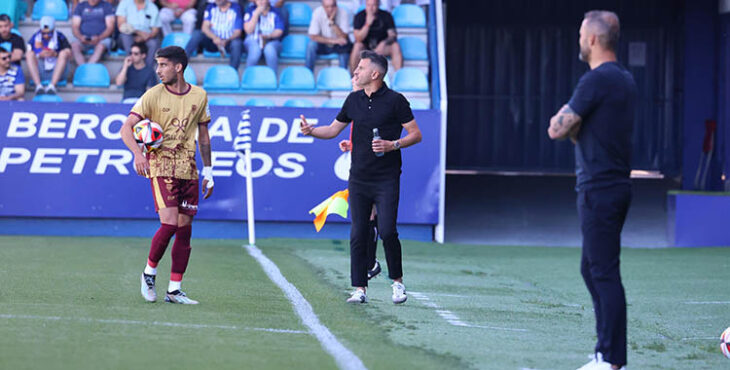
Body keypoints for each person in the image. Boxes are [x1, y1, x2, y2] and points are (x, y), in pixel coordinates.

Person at [547, 10, 636, 370]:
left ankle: (611, 359)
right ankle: (606, 353)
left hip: (600, 187)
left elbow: (556, 129)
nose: (580, 40)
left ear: (594, 40)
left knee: (603, 271)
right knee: (593, 268)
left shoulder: (596, 81)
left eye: (583, 34)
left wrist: (568, 122)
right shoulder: (624, 79)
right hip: (611, 185)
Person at [300, 50, 421, 304]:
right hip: (358, 178)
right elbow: (333, 129)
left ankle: (397, 283)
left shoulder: (396, 101)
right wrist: (311, 131)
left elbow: (415, 134)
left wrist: (392, 145)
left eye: (360, 68)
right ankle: (359, 289)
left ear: (375, 74)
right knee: (358, 233)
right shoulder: (353, 99)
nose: (355, 72)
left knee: (387, 231)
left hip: (387, 178)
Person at [120, 46, 214, 305]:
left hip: (189, 168)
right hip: (161, 166)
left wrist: (209, 171)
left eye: (163, 65)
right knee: (170, 224)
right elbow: (126, 128)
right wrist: (138, 155)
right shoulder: (152, 95)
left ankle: (174, 290)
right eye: (158, 65)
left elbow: (204, 137)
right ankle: (149, 273)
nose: (158, 70)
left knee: (185, 231)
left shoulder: (200, 95)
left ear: (178, 67)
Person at [338, 76, 381, 280]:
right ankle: (371, 263)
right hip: (362, 165)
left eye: (356, 77)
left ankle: (371, 263)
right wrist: (352, 144)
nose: (354, 79)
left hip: (373, 168)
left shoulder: (372, 105)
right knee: (367, 217)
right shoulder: (357, 104)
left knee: (369, 216)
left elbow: (377, 136)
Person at [185, 0, 243, 69]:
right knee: (197, 33)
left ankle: (232, 71)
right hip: (212, 42)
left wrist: (226, 40)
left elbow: (238, 32)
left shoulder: (236, 8)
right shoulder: (210, 7)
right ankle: (182, 62)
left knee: (237, 43)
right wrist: (215, 38)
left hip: (228, 43)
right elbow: (204, 27)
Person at [351, 0, 402, 73]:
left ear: (378, 4)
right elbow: (358, 38)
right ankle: (354, 77)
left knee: (395, 46)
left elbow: (393, 35)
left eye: (374, 5)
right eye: (369, 5)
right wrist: (367, 24)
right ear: (365, 5)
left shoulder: (386, 15)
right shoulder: (359, 16)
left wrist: (384, 43)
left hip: (382, 48)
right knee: (357, 46)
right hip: (365, 48)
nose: (371, 8)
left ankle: (400, 76)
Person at [25, 16, 71, 95]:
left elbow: (69, 52)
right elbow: (29, 51)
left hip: (56, 70)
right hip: (40, 70)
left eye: (49, 33)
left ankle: (52, 86)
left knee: (63, 54)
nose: (46, 36)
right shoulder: (35, 36)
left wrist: (55, 54)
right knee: (29, 54)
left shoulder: (60, 36)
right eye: (44, 33)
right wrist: (39, 55)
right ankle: (38, 86)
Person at [306, 0, 351, 71]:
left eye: (332, 6)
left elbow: (344, 37)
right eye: (327, 7)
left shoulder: (343, 12)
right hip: (324, 45)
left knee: (345, 45)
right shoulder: (317, 12)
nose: (330, 9)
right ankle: (307, 74)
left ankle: (343, 75)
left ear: (336, 6)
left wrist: (332, 23)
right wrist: (334, 41)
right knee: (311, 45)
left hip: (339, 46)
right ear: (323, 6)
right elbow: (313, 36)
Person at [116, 0, 162, 66]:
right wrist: (138, 32)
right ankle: (132, 66)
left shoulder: (152, 7)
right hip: (129, 35)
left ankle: (147, 69)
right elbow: (121, 26)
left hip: (146, 37)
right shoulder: (125, 3)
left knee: (153, 43)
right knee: (125, 36)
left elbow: (155, 30)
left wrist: (145, 37)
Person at [70, 0, 116, 65]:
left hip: (102, 39)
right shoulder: (80, 6)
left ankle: (87, 69)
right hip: (83, 38)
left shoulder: (106, 6)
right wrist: (80, 37)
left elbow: (110, 27)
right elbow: (75, 26)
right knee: (74, 46)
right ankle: (83, 68)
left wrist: (99, 38)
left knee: (101, 47)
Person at [243, 0, 284, 71]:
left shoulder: (275, 11)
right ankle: (248, 76)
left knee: (269, 50)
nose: (261, 1)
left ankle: (273, 77)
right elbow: (248, 30)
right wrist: (256, 14)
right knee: (255, 50)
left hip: (271, 41)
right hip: (253, 40)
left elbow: (279, 31)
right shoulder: (250, 10)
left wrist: (268, 36)